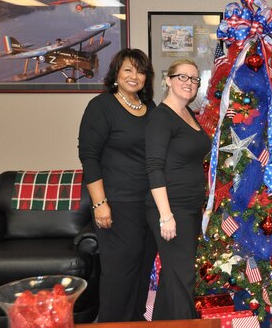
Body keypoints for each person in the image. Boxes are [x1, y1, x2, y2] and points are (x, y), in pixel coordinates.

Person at [78, 48, 156, 322]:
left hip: (148, 205)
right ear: (116, 74)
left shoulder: (150, 108)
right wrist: (100, 204)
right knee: (119, 274)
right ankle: (112, 323)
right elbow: (89, 156)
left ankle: (134, 321)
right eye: (128, 70)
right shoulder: (102, 106)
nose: (135, 76)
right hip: (116, 203)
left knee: (141, 269)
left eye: (141, 71)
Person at [145, 59, 211, 320]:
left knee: (173, 276)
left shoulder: (187, 112)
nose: (189, 83)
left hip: (190, 207)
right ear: (168, 79)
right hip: (171, 209)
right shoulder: (161, 117)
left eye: (194, 79)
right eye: (182, 77)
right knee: (183, 277)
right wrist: (166, 215)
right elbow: (154, 168)